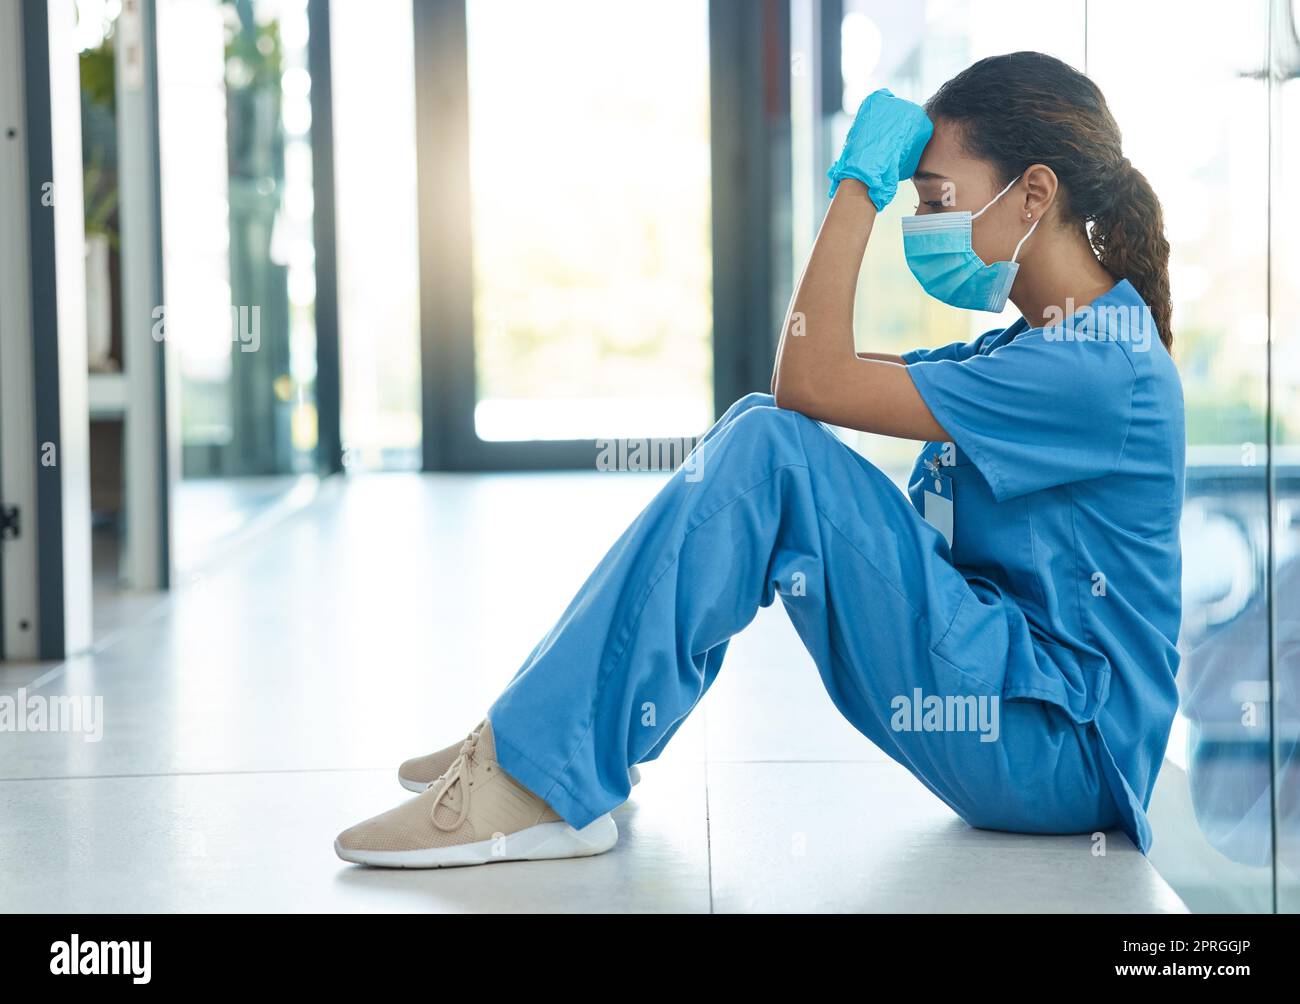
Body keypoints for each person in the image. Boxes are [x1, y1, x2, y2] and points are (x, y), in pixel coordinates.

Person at [334, 51, 1184, 869]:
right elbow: (811, 384)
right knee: (759, 430)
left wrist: (857, 186)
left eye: (934, 198)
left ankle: (543, 776)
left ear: (1034, 192)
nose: (922, 225)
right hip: (1020, 713)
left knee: (770, 448)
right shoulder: (1033, 351)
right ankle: (559, 742)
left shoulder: (1097, 366)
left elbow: (807, 378)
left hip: (1061, 752)